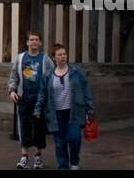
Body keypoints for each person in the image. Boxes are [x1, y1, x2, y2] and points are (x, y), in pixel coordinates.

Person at [34, 43, 96, 170]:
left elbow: (85, 90)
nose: (63, 57)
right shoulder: (48, 75)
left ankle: (74, 163)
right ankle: (63, 166)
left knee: (74, 138)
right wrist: (38, 109)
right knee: (59, 143)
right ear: (54, 58)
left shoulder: (76, 72)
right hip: (56, 114)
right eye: (59, 55)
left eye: (64, 54)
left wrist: (90, 109)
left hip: (73, 112)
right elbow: (42, 94)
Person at [7, 31, 48, 168]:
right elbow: (14, 76)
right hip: (24, 98)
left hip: (39, 100)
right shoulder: (20, 58)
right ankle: (24, 157)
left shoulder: (45, 59)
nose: (34, 42)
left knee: (39, 128)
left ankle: (38, 157)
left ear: (40, 43)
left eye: (37, 39)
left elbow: (51, 77)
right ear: (27, 43)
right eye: (32, 39)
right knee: (24, 127)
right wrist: (12, 91)